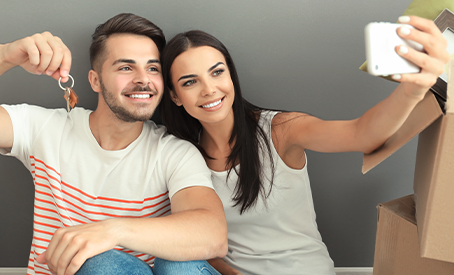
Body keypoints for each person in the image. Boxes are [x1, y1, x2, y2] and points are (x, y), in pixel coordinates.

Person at [0, 13, 227, 275]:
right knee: (100, 265)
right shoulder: (46, 129)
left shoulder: (173, 152)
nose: (143, 79)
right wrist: (4, 55)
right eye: (126, 67)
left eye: (153, 68)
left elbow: (212, 234)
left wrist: (111, 230)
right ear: (94, 80)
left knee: (180, 265)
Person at [159, 15, 449, 275]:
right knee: (172, 263)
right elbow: (196, 240)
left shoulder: (281, 129)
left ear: (230, 75)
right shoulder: (181, 156)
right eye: (189, 82)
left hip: (300, 270)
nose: (209, 89)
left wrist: (412, 89)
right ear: (174, 96)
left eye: (217, 72)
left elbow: (361, 134)